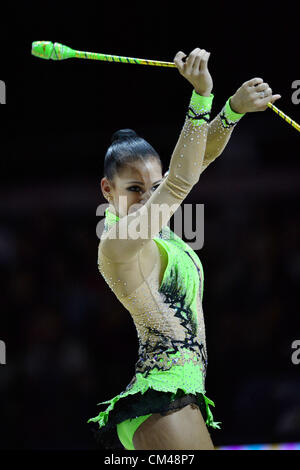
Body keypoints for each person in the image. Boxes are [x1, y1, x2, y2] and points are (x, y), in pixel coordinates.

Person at [87, 47, 281, 450]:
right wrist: (201, 97)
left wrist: (233, 109)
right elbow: (180, 183)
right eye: (133, 189)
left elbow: (192, 162)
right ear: (107, 190)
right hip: (159, 401)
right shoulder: (116, 244)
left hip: (176, 399)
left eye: (152, 189)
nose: (146, 199)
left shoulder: (159, 229)